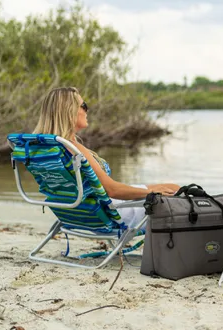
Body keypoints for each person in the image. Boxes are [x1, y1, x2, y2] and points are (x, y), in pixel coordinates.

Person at [33, 87, 180, 228]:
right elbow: (112, 190)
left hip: (75, 211)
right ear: (69, 111)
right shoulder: (72, 148)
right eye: (83, 105)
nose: (87, 109)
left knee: (174, 188)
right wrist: (151, 193)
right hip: (110, 211)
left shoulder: (46, 148)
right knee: (177, 197)